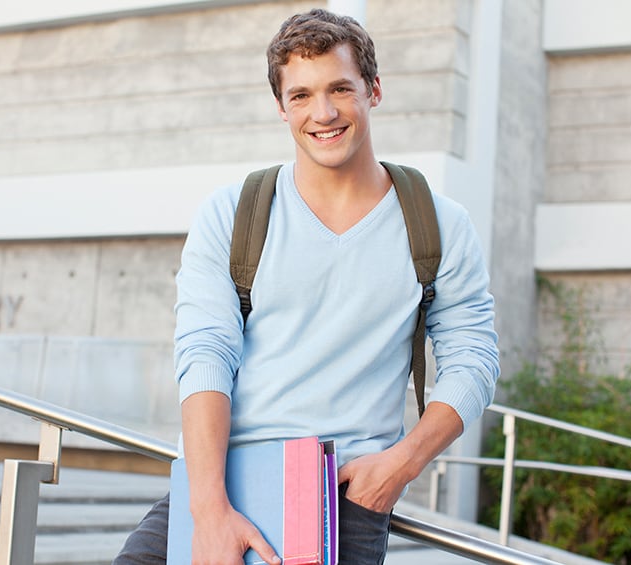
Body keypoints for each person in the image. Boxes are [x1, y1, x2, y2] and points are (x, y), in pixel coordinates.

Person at [115, 8, 499, 564]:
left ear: (374, 90)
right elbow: (205, 353)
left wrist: (403, 463)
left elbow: (474, 359)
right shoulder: (232, 213)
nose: (322, 113)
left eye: (340, 88)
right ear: (281, 107)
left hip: (343, 492)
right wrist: (209, 510)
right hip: (225, 478)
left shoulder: (438, 224)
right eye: (301, 96)